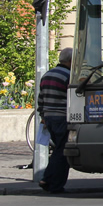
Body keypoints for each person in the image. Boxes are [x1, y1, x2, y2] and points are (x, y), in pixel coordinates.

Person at [38, 47, 73, 194]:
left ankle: (47, 179)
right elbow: (73, 99)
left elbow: (41, 99)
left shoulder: (47, 75)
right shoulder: (68, 76)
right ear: (71, 61)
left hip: (49, 117)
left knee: (59, 149)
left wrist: (43, 116)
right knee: (63, 152)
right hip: (62, 117)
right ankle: (53, 183)